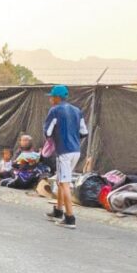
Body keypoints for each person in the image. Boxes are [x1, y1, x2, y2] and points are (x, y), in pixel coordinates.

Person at [43, 85, 88, 229]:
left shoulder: (55, 110)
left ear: (57, 98)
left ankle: (70, 218)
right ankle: (58, 210)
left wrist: (55, 139)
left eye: (51, 97)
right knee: (61, 179)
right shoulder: (77, 111)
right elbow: (84, 132)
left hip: (64, 151)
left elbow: (48, 132)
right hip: (76, 150)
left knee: (64, 183)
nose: (50, 99)